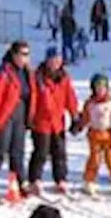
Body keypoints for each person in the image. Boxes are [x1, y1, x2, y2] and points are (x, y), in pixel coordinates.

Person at [0, 41, 34, 205]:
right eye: (22, 54)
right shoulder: (3, 71)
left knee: (18, 150)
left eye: (27, 54)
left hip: (21, 112)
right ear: (13, 54)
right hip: (4, 114)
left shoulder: (27, 72)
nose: (25, 58)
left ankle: (20, 183)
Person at [29, 50, 78, 198]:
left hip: (58, 121)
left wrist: (74, 115)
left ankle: (60, 179)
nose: (55, 63)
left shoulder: (64, 77)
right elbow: (33, 98)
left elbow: (70, 97)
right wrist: (30, 118)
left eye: (58, 60)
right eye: (52, 60)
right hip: (41, 121)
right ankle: (35, 179)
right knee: (41, 152)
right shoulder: (38, 77)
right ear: (47, 61)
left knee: (59, 152)